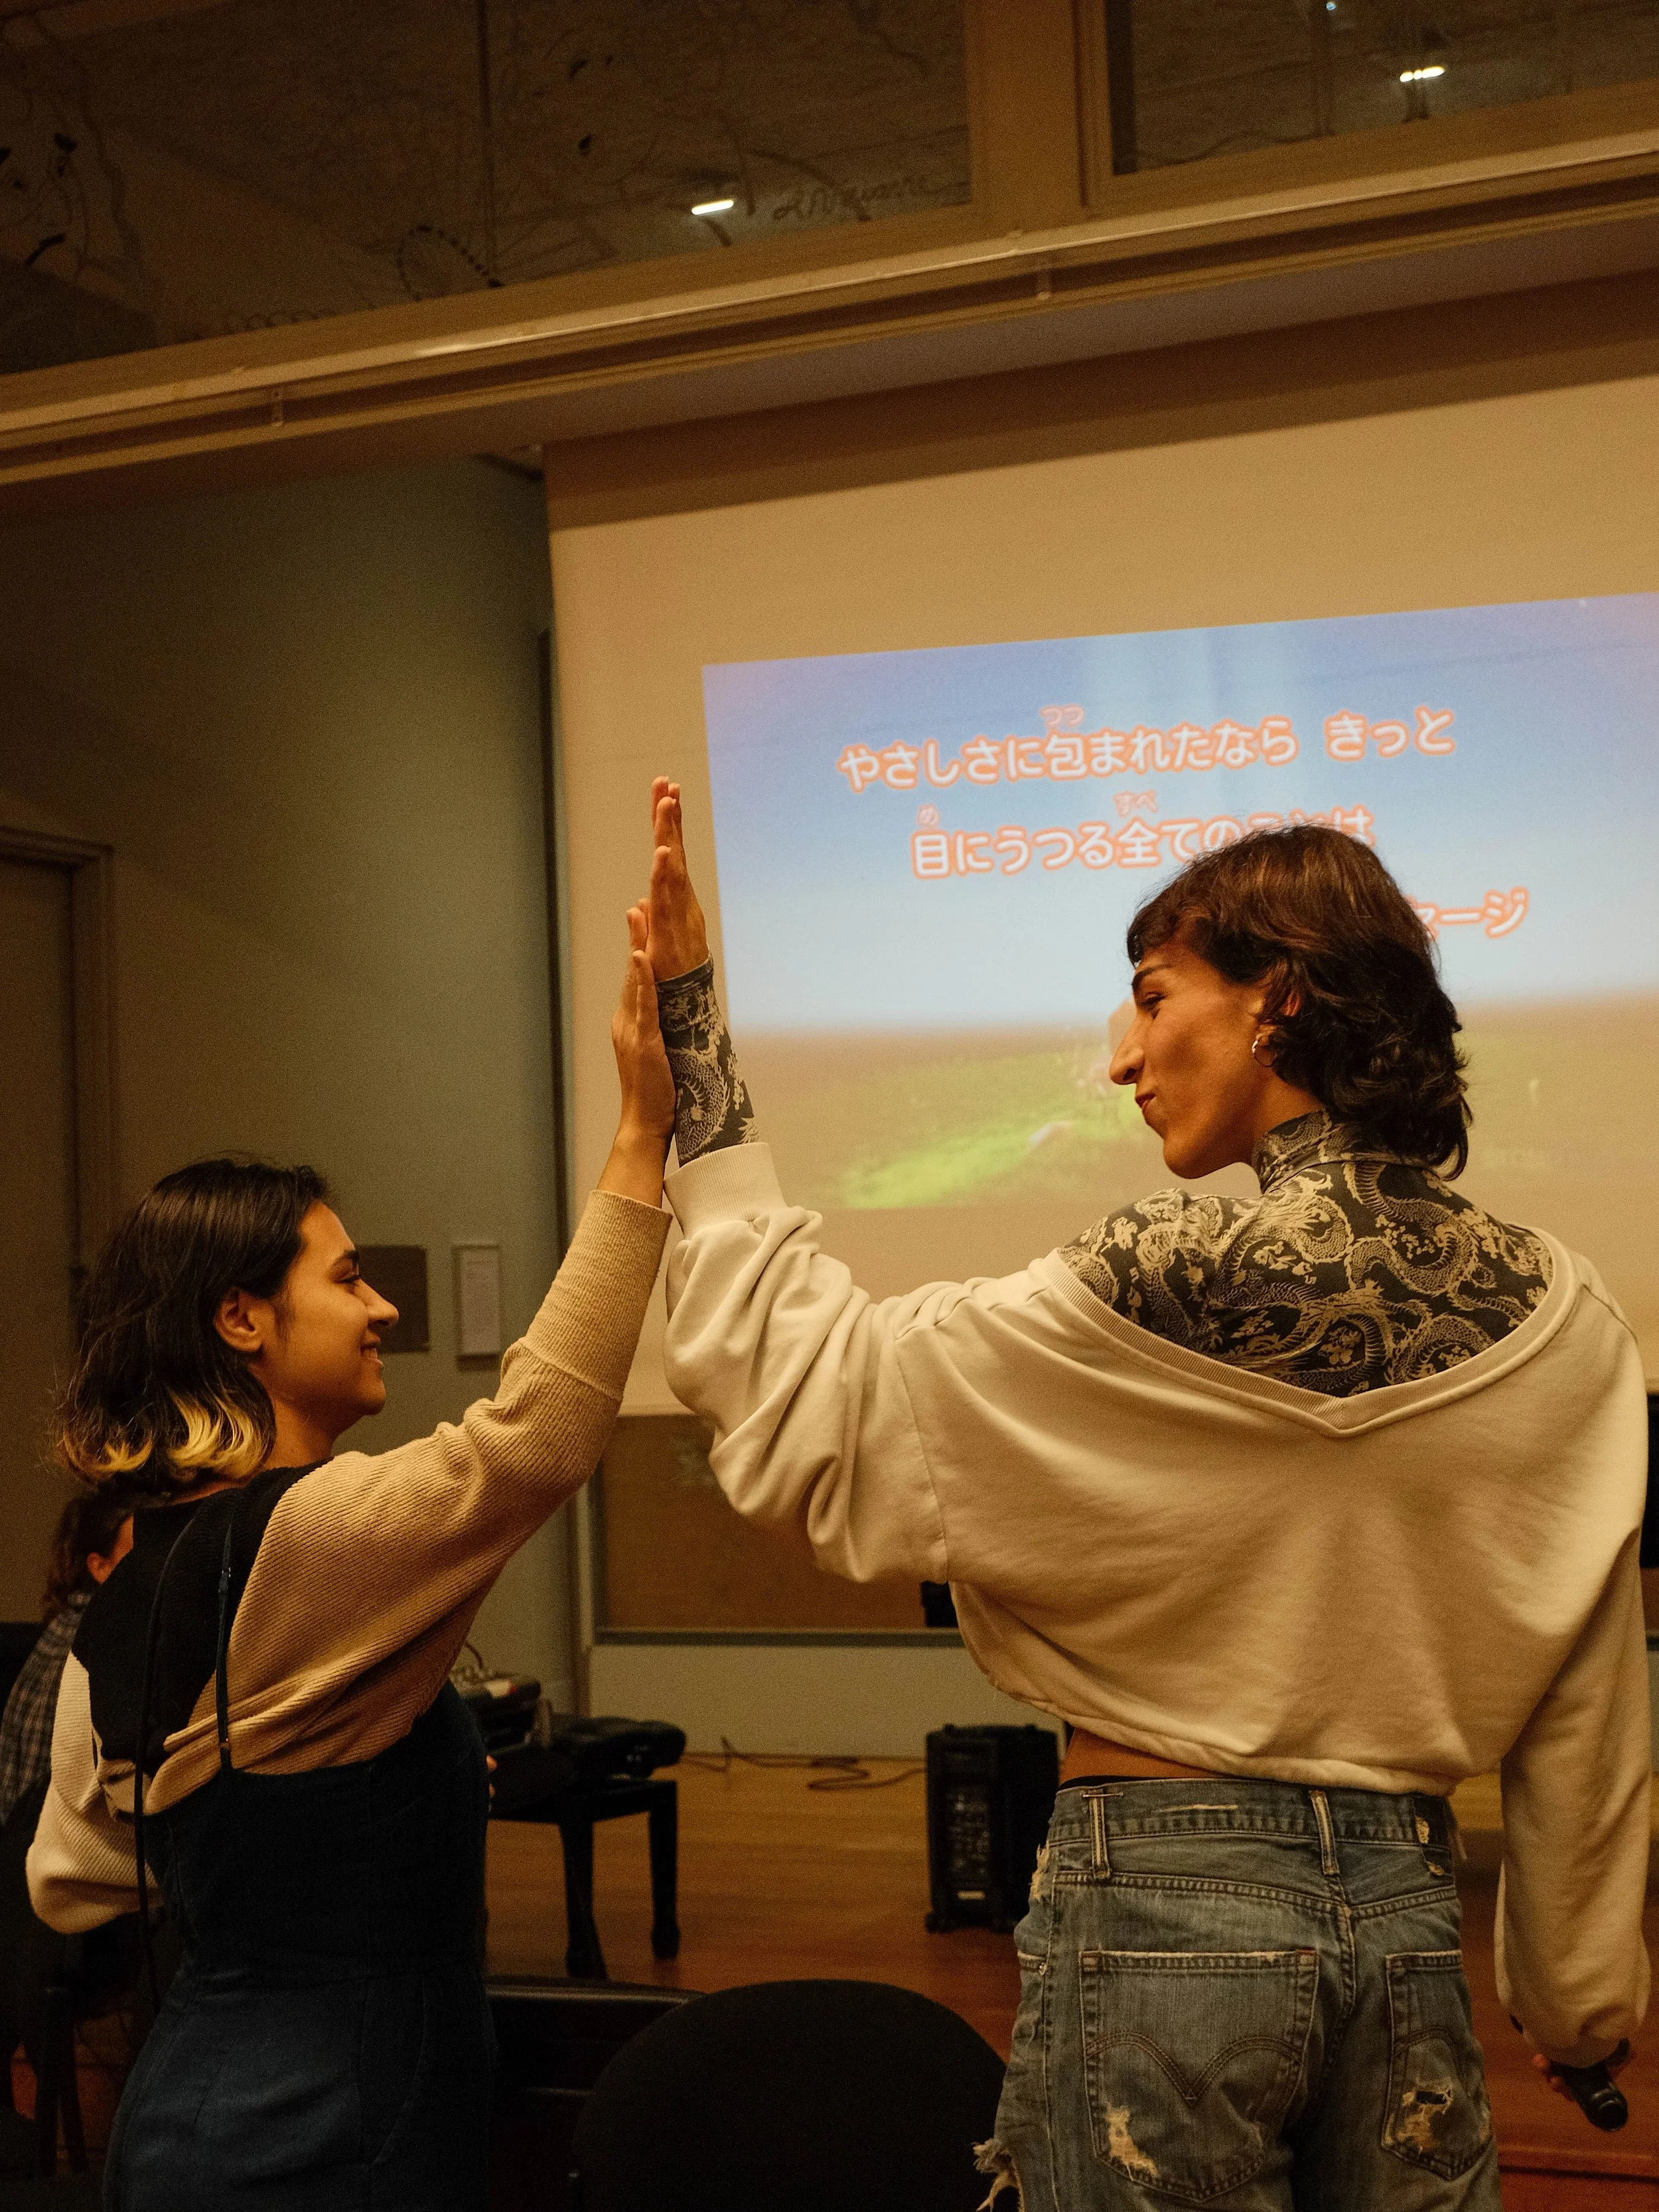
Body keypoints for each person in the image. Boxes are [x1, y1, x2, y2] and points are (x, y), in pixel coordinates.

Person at [641, 780, 1649, 2210]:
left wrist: (693, 1042)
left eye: (1151, 993)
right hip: (1406, 1906)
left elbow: (817, 1403)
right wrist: (1577, 1997)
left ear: (1273, 999)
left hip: (1165, 1902)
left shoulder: (1157, 1269)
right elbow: (1588, 1702)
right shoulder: (1572, 1317)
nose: (1122, 1054)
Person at [26, 912, 676, 2212]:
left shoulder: (124, 1574)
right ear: (242, 1317)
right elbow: (537, 1436)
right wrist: (640, 1136)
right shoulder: (308, 1530)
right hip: (338, 2136)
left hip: (176, 2125)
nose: (381, 1306)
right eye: (349, 1276)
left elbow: (73, 1876)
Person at [1, 1487, 139, 2143]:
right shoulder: (104, 1639)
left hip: (23, 1899)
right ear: (99, 1565)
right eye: (140, 1546)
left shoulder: (61, 1630)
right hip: (54, 1916)